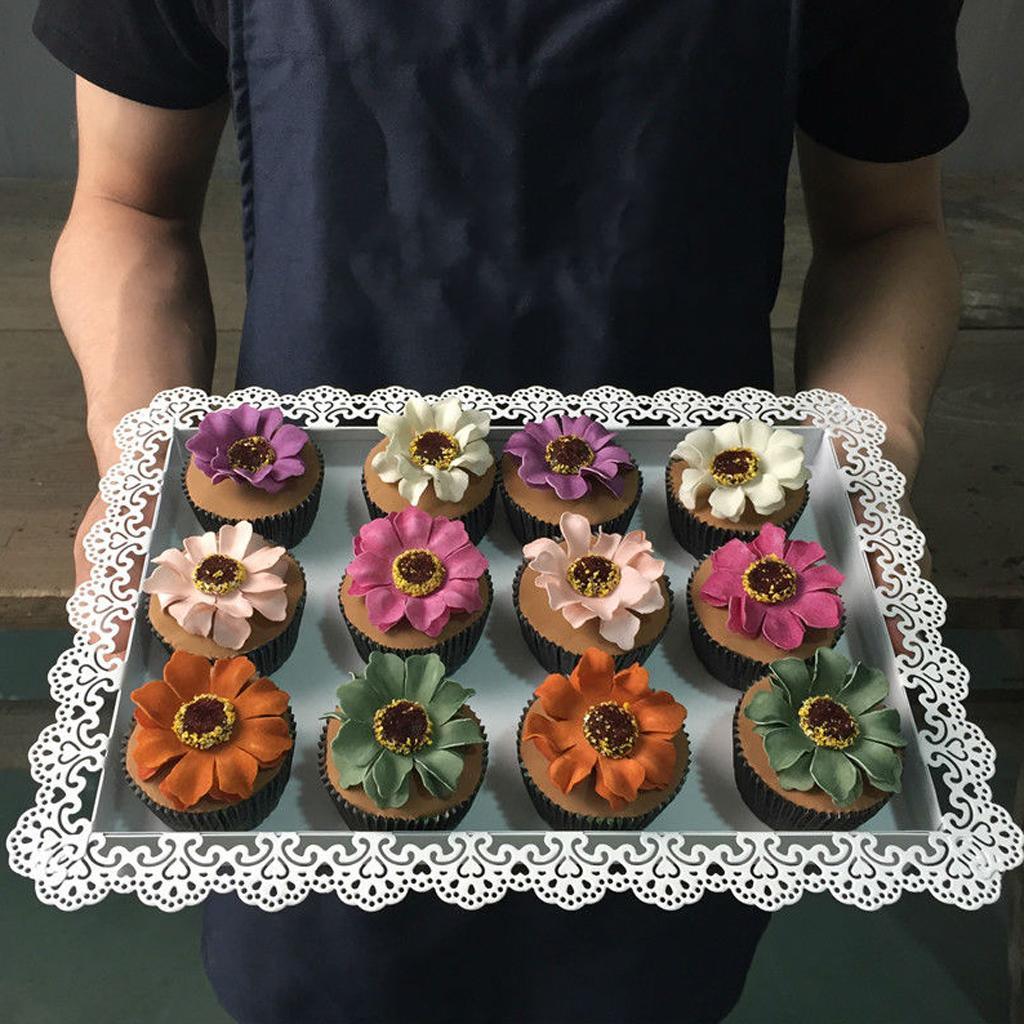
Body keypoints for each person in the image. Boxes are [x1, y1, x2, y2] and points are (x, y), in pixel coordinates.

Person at [34, 1, 966, 1021]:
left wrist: (868, 458)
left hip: (693, 579)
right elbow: (129, 204)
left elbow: (886, 231)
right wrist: (137, 451)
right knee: (325, 975)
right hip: (307, 582)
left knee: (643, 982)